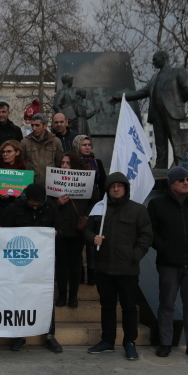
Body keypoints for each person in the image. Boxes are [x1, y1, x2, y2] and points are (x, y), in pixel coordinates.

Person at [147, 166, 188, 361]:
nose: (186, 182)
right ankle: (165, 343)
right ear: (171, 183)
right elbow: (150, 231)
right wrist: (164, 248)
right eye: (181, 180)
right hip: (168, 264)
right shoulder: (157, 204)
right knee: (167, 304)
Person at [84, 172, 153, 361]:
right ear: (107, 189)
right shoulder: (99, 208)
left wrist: (134, 256)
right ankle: (107, 340)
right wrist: (92, 238)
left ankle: (129, 342)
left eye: (119, 186)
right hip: (104, 268)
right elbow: (87, 229)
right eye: (112, 186)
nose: (116, 189)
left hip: (127, 270)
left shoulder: (138, 210)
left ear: (125, 188)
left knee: (129, 307)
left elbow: (146, 236)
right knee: (107, 306)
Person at [2, 183, 63, 353]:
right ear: (26, 198)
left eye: (38, 204)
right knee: (19, 296)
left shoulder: (50, 207)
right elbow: (4, 233)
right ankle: (19, 336)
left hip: (43, 262)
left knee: (46, 296)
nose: (35, 207)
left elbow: (61, 228)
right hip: (19, 261)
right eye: (32, 204)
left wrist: (56, 233)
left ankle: (49, 335)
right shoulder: (14, 208)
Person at [112, 50, 188, 168]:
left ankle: (180, 163)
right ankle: (161, 164)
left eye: (155, 59)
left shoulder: (177, 71)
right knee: (159, 141)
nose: (153, 63)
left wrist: (178, 103)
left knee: (175, 138)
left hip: (171, 112)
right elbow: (142, 92)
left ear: (164, 58)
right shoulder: (155, 78)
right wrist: (122, 97)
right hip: (156, 113)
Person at [53, 152, 91, 308]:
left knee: (75, 264)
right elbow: (47, 204)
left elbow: (94, 201)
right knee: (61, 264)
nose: (64, 166)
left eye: (68, 163)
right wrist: (57, 203)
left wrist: (85, 215)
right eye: (62, 163)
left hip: (77, 229)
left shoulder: (86, 180)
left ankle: (73, 296)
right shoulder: (54, 180)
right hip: (60, 229)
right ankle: (62, 295)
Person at [73, 134, 107, 286]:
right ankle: (80, 272)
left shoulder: (96, 163)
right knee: (79, 240)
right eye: (84, 145)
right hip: (78, 206)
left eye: (89, 145)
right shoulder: (72, 162)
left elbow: (103, 183)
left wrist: (101, 202)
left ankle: (92, 272)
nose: (87, 147)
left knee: (92, 241)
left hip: (95, 205)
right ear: (77, 146)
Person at [20, 113, 63, 186]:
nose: (34, 128)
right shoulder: (25, 142)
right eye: (32, 125)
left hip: (50, 184)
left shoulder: (55, 142)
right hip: (31, 184)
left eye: (37, 125)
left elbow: (59, 164)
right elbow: (21, 162)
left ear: (45, 126)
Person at [0, 139, 27, 222]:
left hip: (21, 210)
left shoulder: (25, 169)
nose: (5, 154)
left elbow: (30, 191)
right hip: (1, 209)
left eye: (9, 151)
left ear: (17, 152)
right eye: (3, 152)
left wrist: (22, 196)